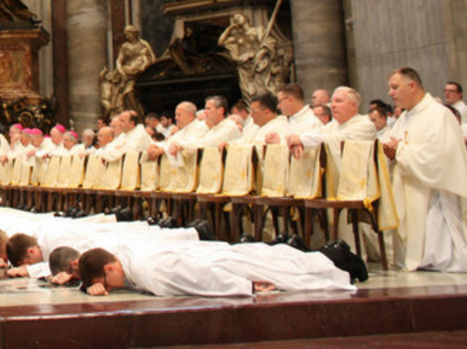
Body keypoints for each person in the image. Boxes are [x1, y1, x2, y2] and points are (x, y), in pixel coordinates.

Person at [383, 67, 467, 271]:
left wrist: (399, 151)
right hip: (408, 187)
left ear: (412, 86)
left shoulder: (439, 115)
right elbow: (390, 143)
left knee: (441, 259)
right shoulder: (405, 117)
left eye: (395, 87)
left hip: (434, 195)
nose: (390, 93)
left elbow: (438, 158)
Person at [78, 240, 354, 297]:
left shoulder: (150, 272)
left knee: (282, 271)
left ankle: (335, 258)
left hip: (221, 267)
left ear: (110, 267)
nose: (114, 288)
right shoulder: (125, 254)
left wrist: (243, 287)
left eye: (108, 281)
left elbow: (200, 279)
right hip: (214, 256)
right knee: (273, 260)